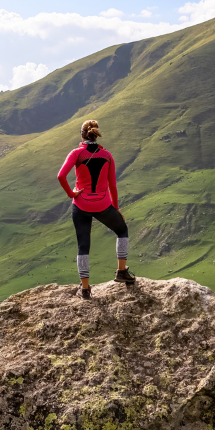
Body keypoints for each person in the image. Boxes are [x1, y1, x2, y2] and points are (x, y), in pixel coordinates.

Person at [57, 119, 136, 299]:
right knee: (122, 230)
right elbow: (113, 185)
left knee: (83, 246)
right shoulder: (107, 155)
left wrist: (72, 193)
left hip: (81, 204)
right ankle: (121, 272)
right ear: (96, 134)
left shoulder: (77, 154)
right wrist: (116, 208)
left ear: (82, 135)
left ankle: (85, 289)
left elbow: (61, 175)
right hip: (103, 204)